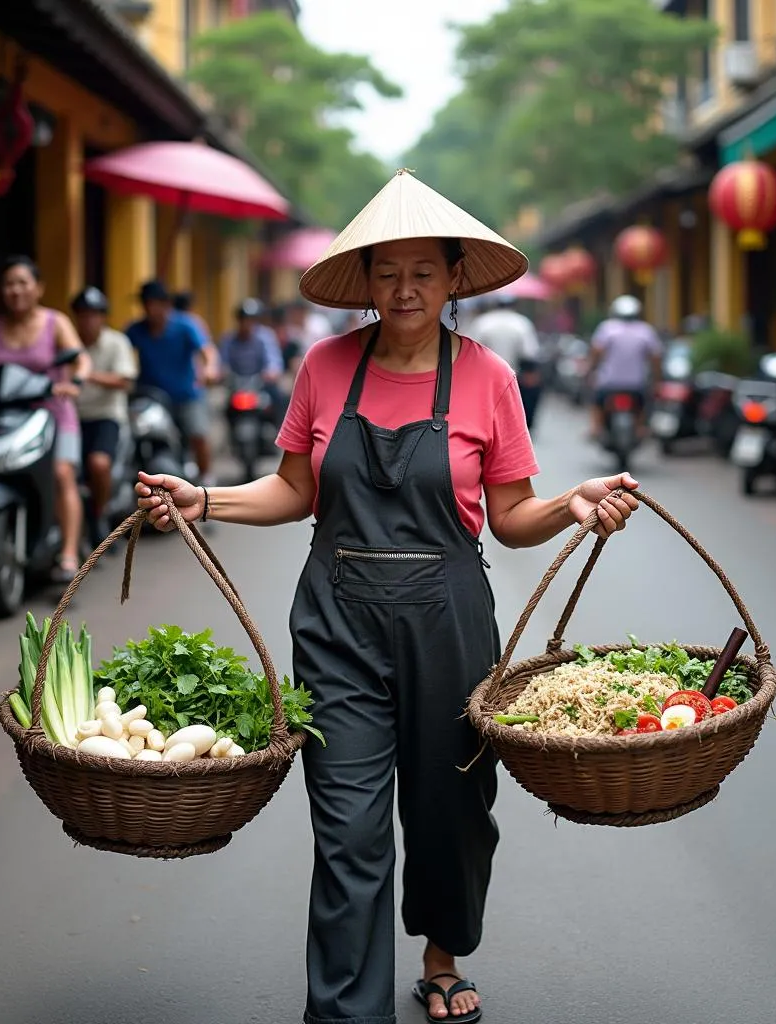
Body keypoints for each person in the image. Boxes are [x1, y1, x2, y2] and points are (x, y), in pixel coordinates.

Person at [135, 170, 638, 1024]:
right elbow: (295, 489)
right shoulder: (324, 367)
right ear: (364, 283)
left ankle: (442, 955)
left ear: (452, 282)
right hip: (335, 620)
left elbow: (511, 517)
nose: (404, 290)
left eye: (423, 273)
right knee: (349, 830)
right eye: (386, 272)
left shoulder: (488, 379)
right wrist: (205, 499)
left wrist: (571, 506)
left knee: (450, 811)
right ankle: (343, 1011)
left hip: (448, 617)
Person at [0, 255, 90, 583]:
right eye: (9, 283)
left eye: (23, 282)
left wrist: (75, 382)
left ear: (39, 288)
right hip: (4, 416)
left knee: (63, 473)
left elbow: (81, 360)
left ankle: (68, 552)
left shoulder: (56, 322)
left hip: (52, 412)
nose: (15, 290)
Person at [126, 280, 215, 486]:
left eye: (155, 303)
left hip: (185, 397)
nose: (151, 309)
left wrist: (209, 368)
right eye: (146, 304)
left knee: (198, 434)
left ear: (166, 304)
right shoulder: (135, 330)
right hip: (150, 399)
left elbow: (206, 351)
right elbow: (121, 353)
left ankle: (206, 479)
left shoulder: (184, 326)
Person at [70, 286, 139, 548]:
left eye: (94, 314)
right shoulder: (68, 342)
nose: (88, 320)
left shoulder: (116, 342)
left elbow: (125, 380)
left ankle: (99, 515)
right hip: (71, 418)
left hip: (105, 417)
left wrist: (86, 375)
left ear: (103, 316)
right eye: (83, 314)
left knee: (99, 464)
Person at [587, 295, 663, 439]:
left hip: (609, 383)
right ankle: (641, 427)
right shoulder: (646, 331)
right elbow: (656, 358)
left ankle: (596, 427)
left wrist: (591, 370)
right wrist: (658, 378)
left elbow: (596, 352)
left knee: (596, 401)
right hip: (636, 383)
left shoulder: (607, 328)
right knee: (644, 403)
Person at [468, 294, 544, 431]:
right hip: (513, 377)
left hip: (484, 376)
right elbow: (530, 353)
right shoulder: (522, 323)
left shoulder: (482, 322)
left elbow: (470, 350)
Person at [216, 298, 288, 423]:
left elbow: (273, 360)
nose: (247, 323)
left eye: (251, 320)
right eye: (244, 319)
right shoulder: (228, 340)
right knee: (221, 408)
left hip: (261, 385)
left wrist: (272, 372)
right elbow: (223, 363)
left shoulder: (265, 337)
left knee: (280, 401)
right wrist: (222, 373)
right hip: (237, 386)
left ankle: (280, 436)